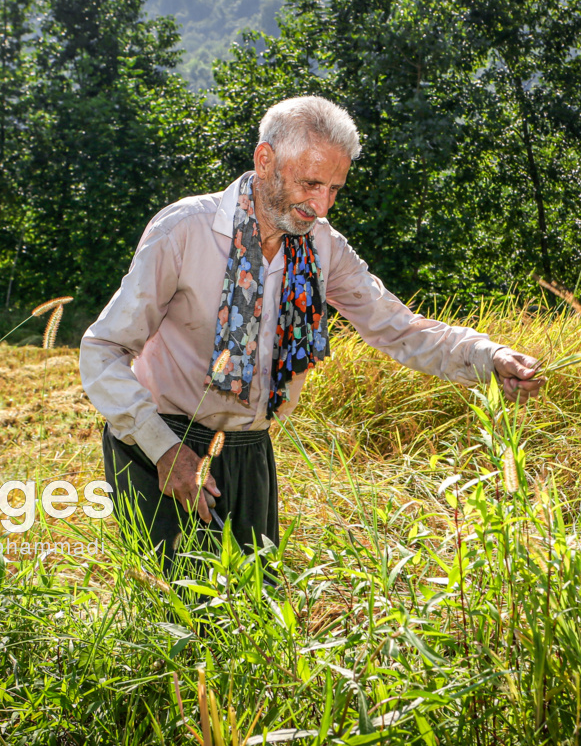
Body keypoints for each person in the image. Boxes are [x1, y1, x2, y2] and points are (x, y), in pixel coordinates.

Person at [79, 95, 543, 571]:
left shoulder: (323, 247)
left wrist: (489, 356)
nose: (320, 206)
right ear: (265, 161)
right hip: (160, 443)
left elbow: (399, 327)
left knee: (253, 619)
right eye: (310, 184)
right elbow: (103, 350)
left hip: (248, 451)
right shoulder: (184, 231)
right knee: (179, 616)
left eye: (335, 189)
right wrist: (164, 449)